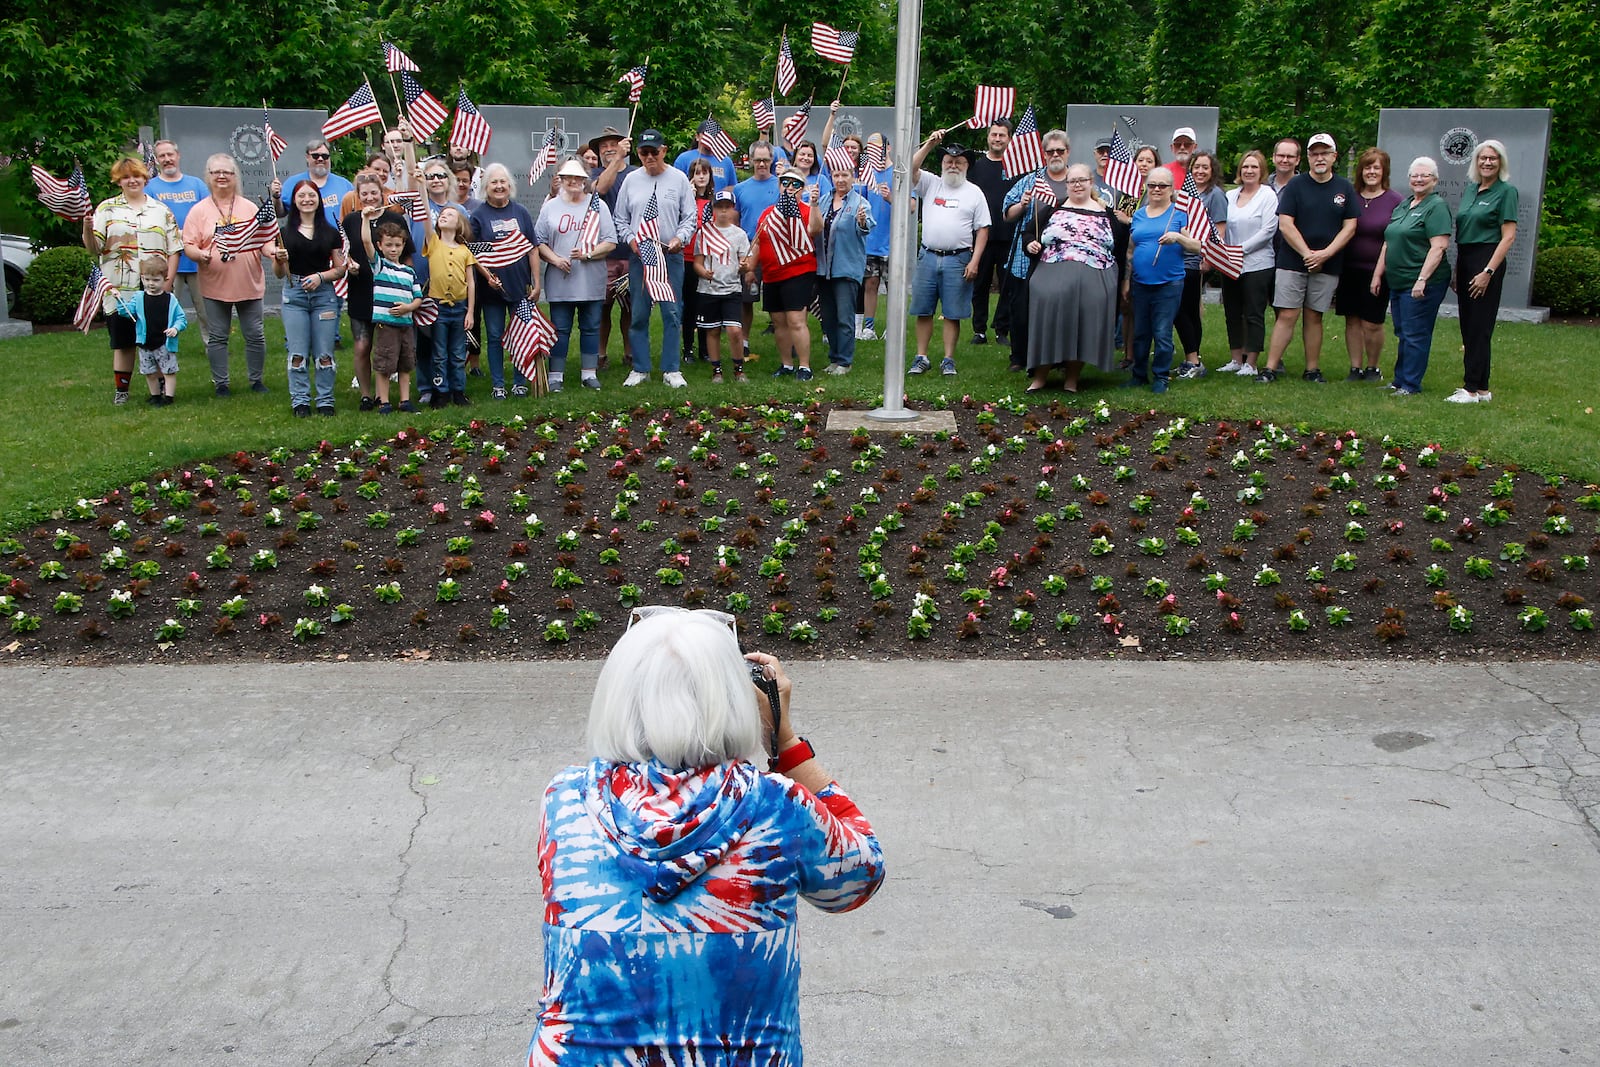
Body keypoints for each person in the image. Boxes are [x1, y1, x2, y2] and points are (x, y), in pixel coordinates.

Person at [526, 608, 884, 1064]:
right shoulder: (777, 805)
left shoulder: (564, 799)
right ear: (735, 701)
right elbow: (860, 878)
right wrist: (784, 738)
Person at [1256, 132, 1359, 384]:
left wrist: (1325, 253)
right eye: (1315, 154)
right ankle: (1269, 368)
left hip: (1328, 262)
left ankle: (1312, 369)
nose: (1320, 158)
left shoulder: (1344, 187)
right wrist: (1306, 254)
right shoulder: (1296, 185)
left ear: (1334, 157)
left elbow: (1350, 226)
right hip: (1293, 260)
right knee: (1287, 314)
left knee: (1314, 316)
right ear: (1308, 158)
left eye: (1325, 153)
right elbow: (1286, 224)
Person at [83, 156, 180, 405]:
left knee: (157, 340)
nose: (132, 180)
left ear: (145, 178)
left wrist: (167, 284)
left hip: (155, 288)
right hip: (119, 288)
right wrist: (86, 227)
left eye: (136, 175)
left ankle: (159, 391)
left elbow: (174, 248)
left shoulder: (161, 210)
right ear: (119, 181)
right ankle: (122, 391)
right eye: (125, 177)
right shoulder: (106, 209)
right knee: (123, 341)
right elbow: (94, 247)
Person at [181, 153, 271, 397]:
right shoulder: (199, 211)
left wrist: (275, 252)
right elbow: (188, 243)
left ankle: (256, 380)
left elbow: (264, 240)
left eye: (227, 172)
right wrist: (199, 254)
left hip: (248, 281)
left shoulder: (249, 207)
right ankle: (221, 383)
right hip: (215, 284)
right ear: (208, 177)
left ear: (235, 177)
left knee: (255, 334)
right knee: (218, 336)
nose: (221, 176)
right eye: (215, 172)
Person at [1024, 164, 1117, 393]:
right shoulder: (1053, 209)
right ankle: (1040, 375)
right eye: (1072, 181)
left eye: (1081, 180)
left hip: (1096, 270)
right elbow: (1028, 233)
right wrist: (1030, 244)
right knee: (1048, 305)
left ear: (1090, 182)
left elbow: (1119, 245)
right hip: (1052, 267)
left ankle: (1072, 378)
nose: (1077, 185)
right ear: (1066, 185)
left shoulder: (1106, 212)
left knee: (1084, 312)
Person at [613, 129, 697, 387]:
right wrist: (632, 241)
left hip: (670, 255)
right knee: (638, 312)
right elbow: (620, 218)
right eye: (643, 152)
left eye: (654, 152)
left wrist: (679, 239)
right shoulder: (630, 180)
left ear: (664, 150)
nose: (649, 157)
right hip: (642, 256)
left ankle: (671, 368)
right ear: (638, 153)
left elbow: (690, 217)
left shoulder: (679, 178)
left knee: (672, 312)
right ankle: (640, 368)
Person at [906, 132, 991, 377]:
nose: (953, 165)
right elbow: (911, 167)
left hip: (959, 259)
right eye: (948, 161)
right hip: (928, 256)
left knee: (953, 313)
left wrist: (975, 261)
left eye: (959, 162)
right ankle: (921, 357)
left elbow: (983, 229)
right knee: (923, 309)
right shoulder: (931, 183)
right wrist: (930, 145)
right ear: (942, 164)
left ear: (966, 166)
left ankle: (948, 359)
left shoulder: (974, 192)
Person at [1371, 156, 1452, 398]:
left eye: (1424, 175)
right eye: (1414, 175)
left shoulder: (1436, 206)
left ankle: (1410, 384)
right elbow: (1389, 241)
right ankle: (1399, 380)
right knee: (1403, 331)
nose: (1418, 179)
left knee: (1416, 333)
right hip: (1397, 281)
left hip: (1422, 283)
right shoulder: (1404, 205)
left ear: (1435, 180)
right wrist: (1377, 274)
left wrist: (1422, 279)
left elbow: (1438, 247)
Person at [536, 159, 617, 392]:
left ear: (585, 179)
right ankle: (556, 376)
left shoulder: (597, 205)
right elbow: (538, 241)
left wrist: (589, 254)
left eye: (578, 177)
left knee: (591, 326)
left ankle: (589, 374)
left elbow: (610, 241)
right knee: (560, 328)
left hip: (590, 279)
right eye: (567, 177)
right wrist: (555, 259)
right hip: (560, 280)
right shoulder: (550, 207)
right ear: (560, 179)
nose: (573, 182)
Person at [1000, 129, 1073, 379]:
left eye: (1059, 151)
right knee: (1021, 309)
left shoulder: (1076, 181)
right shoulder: (1030, 181)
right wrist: (1022, 204)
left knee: (1060, 309)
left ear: (1068, 152)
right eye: (1050, 151)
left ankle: (1060, 358)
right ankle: (1019, 356)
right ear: (1043, 153)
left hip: (1064, 258)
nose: (1055, 155)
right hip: (1026, 256)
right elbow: (1006, 215)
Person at [271, 178, 347, 417]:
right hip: (295, 297)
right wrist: (279, 260)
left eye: (311, 195)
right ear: (294, 200)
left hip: (323, 295)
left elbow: (340, 268)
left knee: (325, 352)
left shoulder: (330, 232)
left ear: (318, 200)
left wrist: (320, 277)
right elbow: (280, 273)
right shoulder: (284, 233)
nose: (306, 200)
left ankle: (325, 400)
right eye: (301, 196)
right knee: (297, 353)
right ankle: (300, 401)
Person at [1451, 139, 1518, 404]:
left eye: (1493, 158)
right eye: (1482, 158)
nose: (1487, 162)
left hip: (1486, 259)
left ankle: (1469, 388)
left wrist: (1488, 271)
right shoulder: (1471, 190)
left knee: (1480, 326)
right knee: (1469, 326)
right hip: (1466, 258)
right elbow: (1463, 233)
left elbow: (1508, 237)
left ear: (1500, 162)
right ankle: (1482, 389)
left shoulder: (1506, 191)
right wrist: (1459, 269)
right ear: (1476, 162)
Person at [342, 173, 416, 410]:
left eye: (374, 192)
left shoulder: (396, 219)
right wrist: (349, 266)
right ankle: (366, 394)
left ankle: (384, 395)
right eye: (364, 193)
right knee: (363, 345)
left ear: (382, 192)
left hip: (391, 296)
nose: (370, 197)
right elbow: (346, 251)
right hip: (361, 289)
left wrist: (408, 289)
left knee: (391, 345)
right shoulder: (352, 220)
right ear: (358, 196)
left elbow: (408, 256)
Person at [471, 163, 543, 398]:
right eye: (494, 182)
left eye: (503, 182)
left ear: (510, 185)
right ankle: (498, 385)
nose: (499, 186)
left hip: (520, 286)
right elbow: (472, 253)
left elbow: (532, 248)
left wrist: (537, 281)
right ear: (486, 187)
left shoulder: (520, 212)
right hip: (492, 290)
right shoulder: (479, 216)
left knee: (520, 334)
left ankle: (520, 381)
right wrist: (487, 276)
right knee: (495, 335)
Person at [1124, 166, 1195, 395]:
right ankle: (1139, 375)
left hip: (1169, 283)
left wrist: (1178, 237)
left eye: (1162, 185)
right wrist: (1127, 279)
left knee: (1162, 332)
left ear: (1171, 189)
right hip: (1140, 282)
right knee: (1141, 332)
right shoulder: (1139, 214)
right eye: (1152, 185)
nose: (1156, 189)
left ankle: (1161, 376)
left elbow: (1197, 246)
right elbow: (1130, 250)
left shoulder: (1178, 215)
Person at [1335, 148, 1401, 383]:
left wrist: (1378, 273)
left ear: (1384, 171)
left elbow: (1394, 238)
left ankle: (1372, 367)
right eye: (1367, 167)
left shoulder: (1395, 201)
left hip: (1377, 271)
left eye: (1376, 167)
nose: (1371, 172)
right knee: (1351, 319)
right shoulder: (1350, 197)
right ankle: (1355, 368)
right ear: (1360, 171)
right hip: (1348, 269)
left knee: (1371, 322)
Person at [749, 165, 818, 379]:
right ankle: (786, 364)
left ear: (802, 188)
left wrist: (814, 204)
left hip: (798, 272)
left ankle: (804, 367)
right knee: (779, 322)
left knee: (796, 320)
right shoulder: (768, 213)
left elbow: (815, 230)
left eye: (795, 184)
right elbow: (759, 242)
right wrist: (750, 268)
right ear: (779, 186)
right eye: (785, 182)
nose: (789, 187)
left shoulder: (806, 210)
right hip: (771, 275)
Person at [810, 154, 874, 375]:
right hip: (823, 268)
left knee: (844, 317)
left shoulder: (860, 203)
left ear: (853, 177)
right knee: (828, 317)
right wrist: (814, 204)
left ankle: (845, 361)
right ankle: (834, 359)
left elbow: (866, 228)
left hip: (846, 269)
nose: (840, 179)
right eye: (836, 175)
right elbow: (814, 226)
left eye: (845, 175)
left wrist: (862, 222)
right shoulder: (825, 199)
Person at [1218, 150, 1279, 377]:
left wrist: (1239, 250)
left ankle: (1251, 363)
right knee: (1232, 312)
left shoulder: (1268, 195)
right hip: (1229, 263)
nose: (1249, 171)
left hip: (1257, 264)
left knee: (1254, 313)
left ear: (1261, 170)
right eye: (1245, 167)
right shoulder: (1230, 195)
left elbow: (1268, 230)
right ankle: (1236, 358)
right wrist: (1223, 252)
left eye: (1254, 167)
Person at [146, 140, 211, 341]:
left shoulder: (196, 185)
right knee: (164, 309)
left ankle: (213, 347)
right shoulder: (150, 188)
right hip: (165, 263)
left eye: (170, 155)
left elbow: (209, 216)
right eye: (162, 156)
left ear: (178, 155)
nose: (167, 159)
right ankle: (161, 347)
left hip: (197, 262)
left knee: (206, 311)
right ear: (157, 160)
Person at [1172, 150, 1229, 379]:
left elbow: (1219, 231)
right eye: (1197, 167)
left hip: (1195, 260)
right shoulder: (1186, 193)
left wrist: (1208, 257)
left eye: (1205, 167)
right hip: (1177, 258)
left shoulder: (1215, 196)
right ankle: (1190, 359)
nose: (1200, 171)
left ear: (1212, 170)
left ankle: (1193, 361)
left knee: (1184, 310)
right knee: (1185, 310)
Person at [359, 218, 423, 413]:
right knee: (385, 364)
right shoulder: (379, 266)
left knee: (406, 363)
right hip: (386, 325)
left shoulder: (409, 272)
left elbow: (418, 298)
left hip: (405, 323)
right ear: (380, 246)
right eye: (388, 245)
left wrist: (408, 307)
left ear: (403, 245)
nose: (393, 249)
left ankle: (405, 400)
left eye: (397, 245)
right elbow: (365, 242)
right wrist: (365, 220)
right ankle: (384, 401)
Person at [968, 118, 1016, 351]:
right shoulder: (976, 168)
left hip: (1009, 236)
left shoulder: (1016, 168)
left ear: (1009, 138)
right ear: (988, 137)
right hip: (981, 236)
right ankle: (979, 329)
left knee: (1007, 285)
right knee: (980, 285)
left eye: (1002, 135)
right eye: (994, 134)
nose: (997, 139)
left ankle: (1001, 329)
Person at [589, 127, 635, 371]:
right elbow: (600, 189)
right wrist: (616, 159)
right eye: (603, 145)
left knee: (629, 307)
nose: (608, 148)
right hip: (604, 254)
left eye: (613, 144)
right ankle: (600, 355)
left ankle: (630, 354)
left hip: (631, 252)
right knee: (602, 308)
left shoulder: (635, 174)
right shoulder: (594, 173)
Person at [422, 205, 477, 406]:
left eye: (450, 214)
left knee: (457, 352)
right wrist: (420, 185)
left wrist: (470, 312)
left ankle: (458, 390)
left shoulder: (464, 251)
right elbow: (426, 217)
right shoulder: (433, 243)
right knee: (439, 352)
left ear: (459, 223)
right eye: (442, 214)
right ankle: (440, 390)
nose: (444, 216)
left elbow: (470, 282)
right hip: (437, 307)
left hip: (459, 308)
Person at [695, 189, 751, 383]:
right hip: (708, 289)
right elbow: (697, 262)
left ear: (733, 210)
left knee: (734, 330)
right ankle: (716, 369)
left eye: (727, 207)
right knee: (712, 330)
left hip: (732, 288)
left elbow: (745, 262)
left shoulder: (740, 235)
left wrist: (745, 266)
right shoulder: (705, 233)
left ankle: (738, 368)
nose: (724, 212)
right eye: (720, 207)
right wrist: (703, 272)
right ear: (713, 209)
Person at [734, 141, 781, 354]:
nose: (762, 164)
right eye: (758, 160)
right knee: (746, 299)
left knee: (778, 298)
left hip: (775, 250)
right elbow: (734, 222)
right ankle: (743, 342)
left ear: (772, 160)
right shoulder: (740, 189)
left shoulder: (781, 185)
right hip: (749, 249)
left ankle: (786, 339)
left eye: (766, 160)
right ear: (751, 161)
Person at [119, 255, 186, 406]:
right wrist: (120, 301)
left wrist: (175, 328)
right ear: (142, 278)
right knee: (149, 372)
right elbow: (127, 312)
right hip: (145, 343)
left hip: (164, 343)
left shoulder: (170, 299)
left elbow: (181, 318)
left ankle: (168, 397)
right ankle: (155, 395)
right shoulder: (138, 298)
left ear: (165, 279)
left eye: (156, 280)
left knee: (168, 371)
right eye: (147, 279)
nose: (151, 284)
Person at [857, 133, 894, 341]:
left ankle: (892, 326)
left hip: (892, 243)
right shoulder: (866, 174)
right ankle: (868, 327)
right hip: (870, 241)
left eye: (877, 147)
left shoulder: (898, 172)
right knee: (870, 284)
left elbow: (912, 206)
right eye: (870, 148)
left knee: (892, 286)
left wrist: (890, 198)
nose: (874, 151)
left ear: (888, 148)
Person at [679, 160, 716, 366]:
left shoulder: (713, 202)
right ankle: (688, 348)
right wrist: (689, 197)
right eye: (696, 173)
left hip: (707, 258)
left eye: (704, 173)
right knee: (690, 305)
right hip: (686, 257)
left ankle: (705, 348)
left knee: (705, 304)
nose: (701, 177)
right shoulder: (685, 200)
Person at [274, 140, 354, 226]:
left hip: (338, 238)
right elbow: (279, 213)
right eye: (315, 156)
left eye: (325, 156)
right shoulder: (292, 183)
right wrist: (276, 196)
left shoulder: (345, 185)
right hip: (302, 238)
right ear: (307, 157)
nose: (320, 159)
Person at [672, 124, 739, 191]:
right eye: (705, 134)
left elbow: (733, 187)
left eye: (713, 135)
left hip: (718, 200)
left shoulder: (726, 161)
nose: (710, 137)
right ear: (697, 137)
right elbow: (675, 185)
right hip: (692, 200)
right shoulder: (683, 159)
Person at [1167, 126, 1197, 191]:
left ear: (1195, 147)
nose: (1182, 147)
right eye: (1178, 144)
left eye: (1187, 144)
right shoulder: (1164, 171)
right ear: (1172, 147)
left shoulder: (1202, 171)